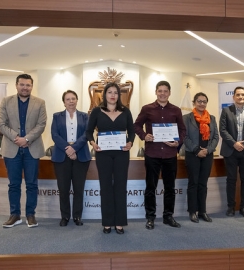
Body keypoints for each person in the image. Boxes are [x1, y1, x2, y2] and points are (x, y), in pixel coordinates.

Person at [134, 80, 186, 230]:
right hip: (152, 153)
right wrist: (144, 136)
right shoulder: (147, 109)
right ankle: (150, 217)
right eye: (160, 91)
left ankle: (168, 216)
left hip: (170, 154)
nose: (162, 93)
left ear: (169, 93)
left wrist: (178, 141)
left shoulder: (176, 110)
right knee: (151, 187)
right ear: (156, 92)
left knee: (170, 187)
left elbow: (182, 130)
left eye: (165, 91)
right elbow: (136, 125)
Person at [0, 74, 47, 228]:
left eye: (28, 85)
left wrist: (26, 139)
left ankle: (30, 215)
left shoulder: (40, 103)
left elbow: (41, 124)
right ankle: (15, 215)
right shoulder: (6, 101)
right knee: (14, 184)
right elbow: (1, 123)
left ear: (32, 86)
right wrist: (17, 138)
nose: (25, 87)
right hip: (11, 148)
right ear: (16, 85)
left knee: (32, 184)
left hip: (31, 149)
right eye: (22, 84)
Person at [86, 82, 135, 234]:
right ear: (105, 94)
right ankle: (107, 223)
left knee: (120, 187)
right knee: (105, 187)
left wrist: (130, 143)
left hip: (121, 154)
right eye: (110, 92)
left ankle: (119, 223)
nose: (113, 95)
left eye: (115, 92)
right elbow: (88, 132)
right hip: (103, 154)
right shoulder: (96, 111)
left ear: (119, 96)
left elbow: (132, 132)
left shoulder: (126, 111)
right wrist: (93, 143)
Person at [51, 90, 91, 227]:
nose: (71, 101)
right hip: (62, 156)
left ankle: (77, 216)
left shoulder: (85, 116)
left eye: (73, 98)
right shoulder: (57, 116)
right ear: (64, 102)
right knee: (63, 189)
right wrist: (68, 148)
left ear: (77, 100)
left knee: (79, 189)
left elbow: (87, 134)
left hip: (81, 156)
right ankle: (65, 216)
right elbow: (55, 135)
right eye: (68, 99)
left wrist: (74, 148)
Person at [219, 86, 244, 218]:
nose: (240, 97)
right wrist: (234, 143)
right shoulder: (226, 111)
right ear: (233, 97)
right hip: (230, 150)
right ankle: (231, 207)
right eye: (238, 95)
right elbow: (222, 130)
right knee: (231, 179)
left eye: (243, 95)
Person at [183, 92, 219, 223]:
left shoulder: (212, 118)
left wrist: (208, 150)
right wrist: (197, 150)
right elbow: (184, 137)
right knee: (193, 183)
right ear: (194, 103)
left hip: (207, 155)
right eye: (199, 101)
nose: (202, 104)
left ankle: (202, 211)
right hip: (192, 154)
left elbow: (216, 137)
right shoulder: (186, 118)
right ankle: (192, 211)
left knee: (203, 184)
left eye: (204, 101)